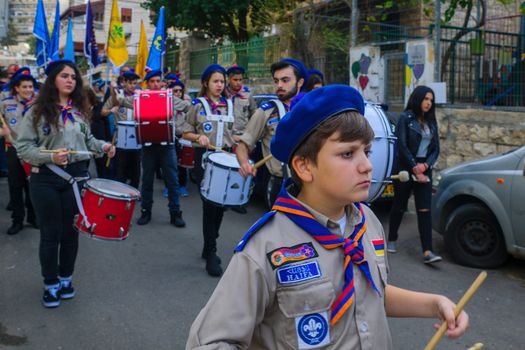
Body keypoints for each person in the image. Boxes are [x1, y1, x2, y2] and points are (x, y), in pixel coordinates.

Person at [186, 85, 469, 349]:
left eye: (367, 152)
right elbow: (212, 341)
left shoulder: (367, 223)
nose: (367, 166)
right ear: (304, 167)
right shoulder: (264, 248)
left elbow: (368, 294)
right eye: (347, 154)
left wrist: (435, 304)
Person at [16, 60, 116, 308]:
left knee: (71, 233)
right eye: (64, 76)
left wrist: (103, 146)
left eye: (73, 77)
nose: (70, 80)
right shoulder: (36, 112)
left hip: (77, 178)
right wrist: (50, 156)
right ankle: (50, 284)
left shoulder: (80, 111)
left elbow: (89, 140)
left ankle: (65, 278)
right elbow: (23, 148)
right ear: (53, 80)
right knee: (51, 234)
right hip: (46, 179)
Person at [181, 64, 236, 277]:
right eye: (216, 81)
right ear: (206, 83)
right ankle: (211, 251)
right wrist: (198, 137)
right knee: (210, 204)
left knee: (221, 206)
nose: (220, 85)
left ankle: (209, 243)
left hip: (227, 161)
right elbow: (185, 132)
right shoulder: (198, 105)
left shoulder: (230, 106)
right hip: (204, 161)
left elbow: (237, 133)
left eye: (222, 81)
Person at [117, 70, 187, 227]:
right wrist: (118, 94)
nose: (155, 84)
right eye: (152, 81)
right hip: (148, 145)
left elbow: (186, 107)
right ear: (147, 84)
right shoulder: (140, 98)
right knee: (147, 181)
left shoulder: (169, 97)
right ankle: (145, 211)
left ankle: (175, 213)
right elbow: (122, 101)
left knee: (172, 181)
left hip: (167, 145)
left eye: (158, 81)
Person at [236, 58, 307, 209]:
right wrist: (244, 163)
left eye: (285, 80)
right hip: (280, 185)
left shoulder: (311, 109)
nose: (279, 86)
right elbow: (243, 145)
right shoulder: (266, 111)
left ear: (300, 82)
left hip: (310, 184)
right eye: (276, 81)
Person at [387, 85, 442, 264]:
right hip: (405, 167)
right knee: (400, 205)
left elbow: (436, 149)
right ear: (418, 99)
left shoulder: (432, 122)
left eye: (431, 100)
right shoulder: (405, 118)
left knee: (424, 209)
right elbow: (402, 146)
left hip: (424, 168)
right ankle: (392, 238)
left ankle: (428, 251)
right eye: (426, 99)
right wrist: (414, 167)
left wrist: (425, 165)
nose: (428, 103)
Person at [0, 67, 38, 235]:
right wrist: (3, 131)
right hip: (13, 149)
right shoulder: (5, 102)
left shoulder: (39, 103)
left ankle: (33, 217)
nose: (28, 90)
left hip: (34, 151)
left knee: (33, 185)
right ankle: (17, 220)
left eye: (30, 87)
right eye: (24, 87)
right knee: (15, 186)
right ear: (16, 87)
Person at [105, 71, 141, 189]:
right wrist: (111, 111)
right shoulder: (117, 96)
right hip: (120, 136)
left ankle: (134, 190)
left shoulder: (140, 96)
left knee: (136, 165)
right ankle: (120, 190)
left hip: (137, 135)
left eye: (135, 83)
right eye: (130, 83)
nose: (132, 86)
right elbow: (103, 111)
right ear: (124, 82)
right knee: (121, 166)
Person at [171, 78, 191, 197]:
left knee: (182, 164)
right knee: (171, 164)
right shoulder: (168, 104)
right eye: (175, 91)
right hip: (171, 136)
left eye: (180, 91)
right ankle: (170, 187)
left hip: (183, 136)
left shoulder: (186, 105)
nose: (178, 93)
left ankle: (182, 186)